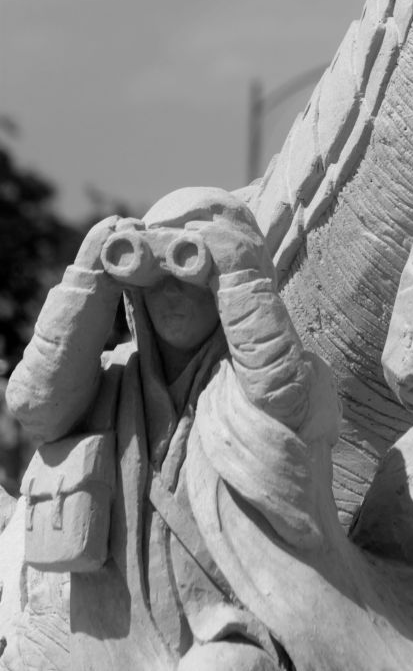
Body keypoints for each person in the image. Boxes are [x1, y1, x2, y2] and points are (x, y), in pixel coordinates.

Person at [7, 187, 291, 671]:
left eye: (188, 270)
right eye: (154, 279)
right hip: (104, 642)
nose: (171, 292)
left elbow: (285, 400)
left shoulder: (256, 391)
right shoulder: (106, 384)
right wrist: (88, 278)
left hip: (231, 637)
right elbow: (34, 407)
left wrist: (238, 274)